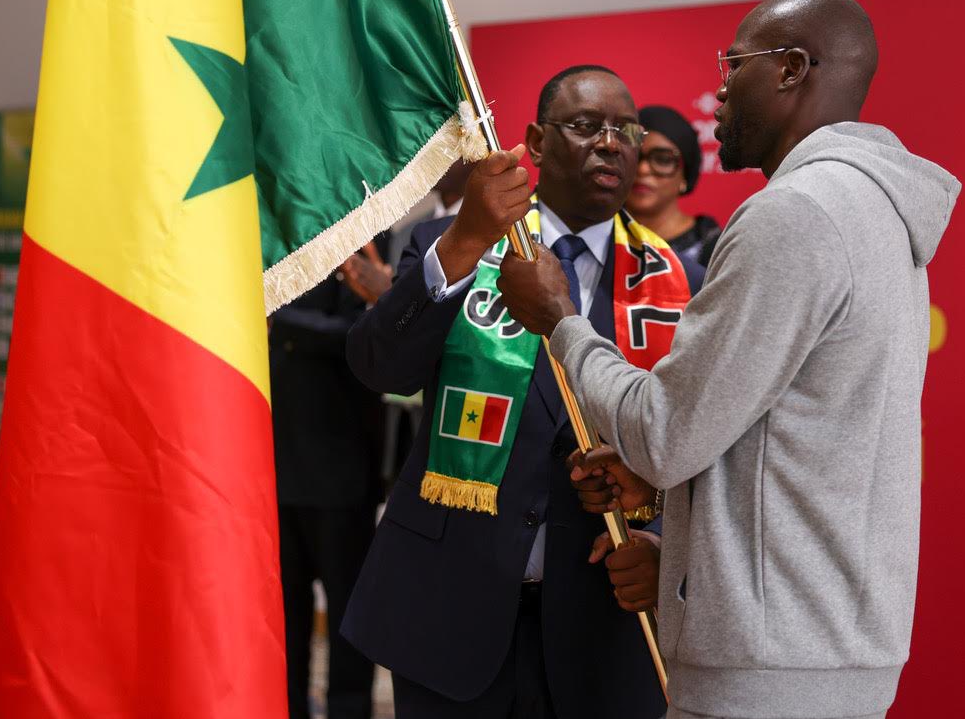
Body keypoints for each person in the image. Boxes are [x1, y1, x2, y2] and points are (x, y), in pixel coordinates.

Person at [496, 0, 961, 719]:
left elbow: (667, 430)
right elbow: (781, 439)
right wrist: (682, 546)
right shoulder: (874, 208)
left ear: (789, 69)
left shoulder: (793, 216)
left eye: (733, 62)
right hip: (825, 644)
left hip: (768, 664)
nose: (717, 86)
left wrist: (560, 318)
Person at [341, 65, 703, 719]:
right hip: (448, 613)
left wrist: (664, 543)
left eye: (626, 130)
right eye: (587, 126)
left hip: (605, 626)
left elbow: (701, 445)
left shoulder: (681, 282)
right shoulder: (451, 243)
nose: (611, 143)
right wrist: (463, 239)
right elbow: (379, 368)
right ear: (535, 144)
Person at [270, 265, 388, 719]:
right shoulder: (273, 256)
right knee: (285, 613)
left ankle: (349, 710)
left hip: (341, 475)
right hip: (278, 470)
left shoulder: (355, 247)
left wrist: (279, 321)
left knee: (345, 615)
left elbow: (360, 334)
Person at [626, 105, 721, 267]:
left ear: (685, 175)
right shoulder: (596, 238)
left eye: (662, 159)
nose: (643, 169)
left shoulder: (713, 247)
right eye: (634, 157)